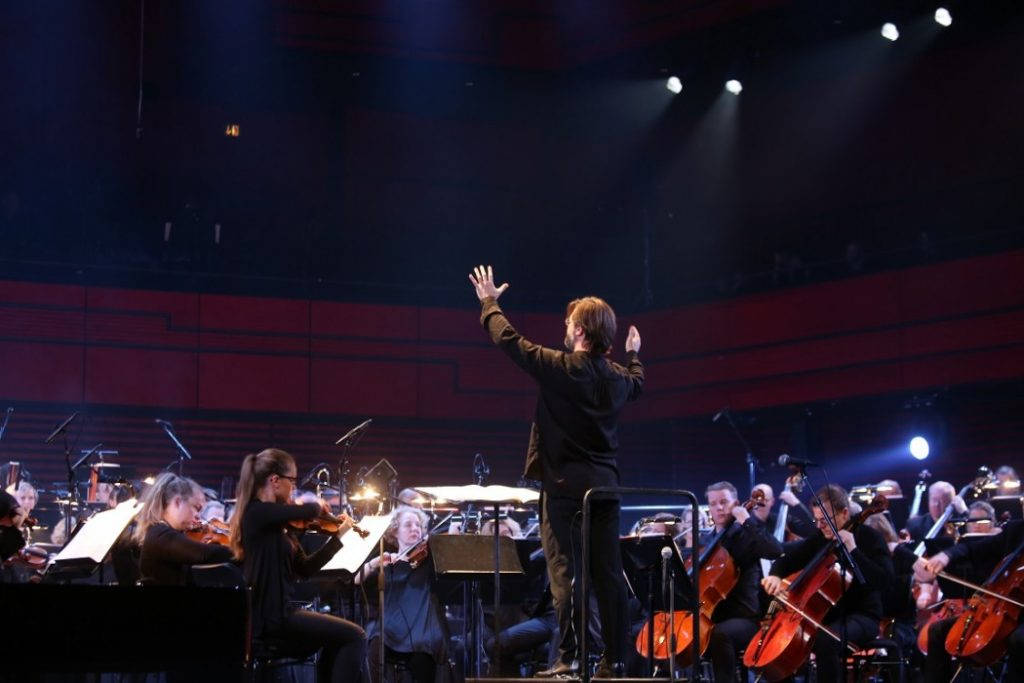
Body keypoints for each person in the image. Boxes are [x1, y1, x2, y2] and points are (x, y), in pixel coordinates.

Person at [469, 265, 643, 678]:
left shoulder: (562, 368)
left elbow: (510, 341)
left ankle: (571, 657)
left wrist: (489, 303)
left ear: (580, 330)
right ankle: (615, 661)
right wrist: (634, 354)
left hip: (565, 489)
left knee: (566, 574)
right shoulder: (619, 378)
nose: (564, 328)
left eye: (568, 323)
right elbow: (638, 382)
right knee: (608, 575)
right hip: (605, 489)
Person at [230, 448, 367, 682]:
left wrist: (338, 538)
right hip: (269, 618)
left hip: (282, 614)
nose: (293, 487)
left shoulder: (281, 525)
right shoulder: (255, 512)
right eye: (292, 481)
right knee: (356, 636)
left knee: (339, 638)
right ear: (275, 481)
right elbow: (309, 509)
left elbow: (305, 568)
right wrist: (317, 505)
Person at [761, 484, 893, 681]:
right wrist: (775, 575)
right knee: (785, 640)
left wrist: (853, 550)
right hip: (827, 618)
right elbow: (786, 560)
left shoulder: (870, 537)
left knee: (825, 640)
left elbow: (884, 581)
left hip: (863, 616)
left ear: (844, 513)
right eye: (817, 520)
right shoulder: (820, 539)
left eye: (825, 520)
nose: (820, 526)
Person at [358, 505, 455, 682]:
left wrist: (453, 532)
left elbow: (449, 553)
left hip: (421, 630)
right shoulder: (387, 560)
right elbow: (356, 580)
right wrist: (374, 563)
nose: (415, 529)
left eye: (418, 525)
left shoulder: (428, 557)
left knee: (423, 658)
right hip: (390, 629)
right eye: (408, 525)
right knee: (373, 649)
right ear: (395, 531)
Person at [919, 519, 1024, 681]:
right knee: (938, 630)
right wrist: (946, 556)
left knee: (1018, 639)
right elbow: (973, 548)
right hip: (1005, 609)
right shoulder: (1017, 530)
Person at [702, 482, 783, 682]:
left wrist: (747, 519)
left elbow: (775, 550)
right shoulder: (706, 541)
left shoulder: (746, 535)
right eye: (713, 503)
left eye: (724, 501)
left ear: (736, 503)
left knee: (719, 634)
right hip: (712, 616)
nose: (719, 507)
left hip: (745, 618)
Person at [134, 472, 233, 586]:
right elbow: (204, 554)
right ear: (178, 502)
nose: (198, 516)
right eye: (196, 508)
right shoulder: (160, 534)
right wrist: (238, 552)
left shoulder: (163, 532)